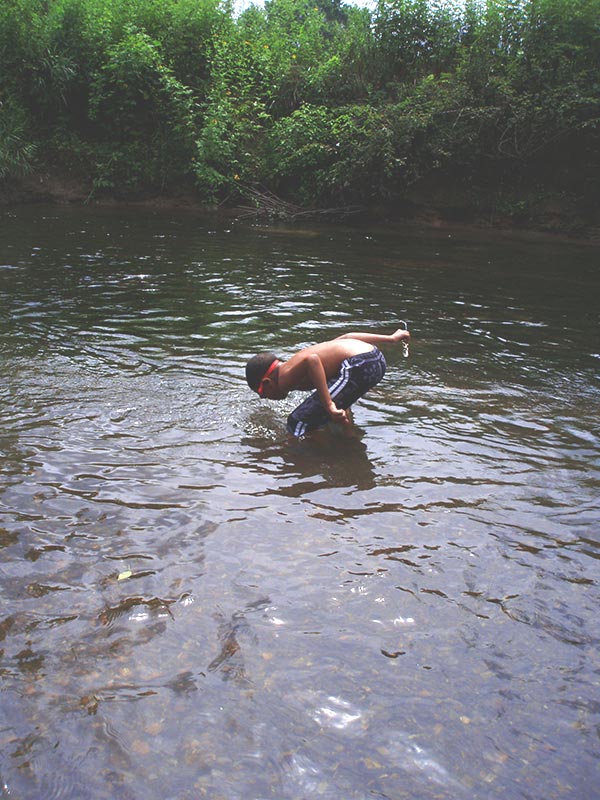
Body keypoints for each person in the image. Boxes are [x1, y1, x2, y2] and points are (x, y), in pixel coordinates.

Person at [245, 326, 411, 437]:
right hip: (375, 359)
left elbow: (313, 361)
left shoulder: (284, 377)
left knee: (297, 422)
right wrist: (391, 338)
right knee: (335, 408)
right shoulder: (292, 362)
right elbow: (348, 337)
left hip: (359, 365)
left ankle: (302, 462)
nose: (265, 398)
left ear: (267, 383)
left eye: (262, 394)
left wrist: (329, 405)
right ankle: (348, 439)